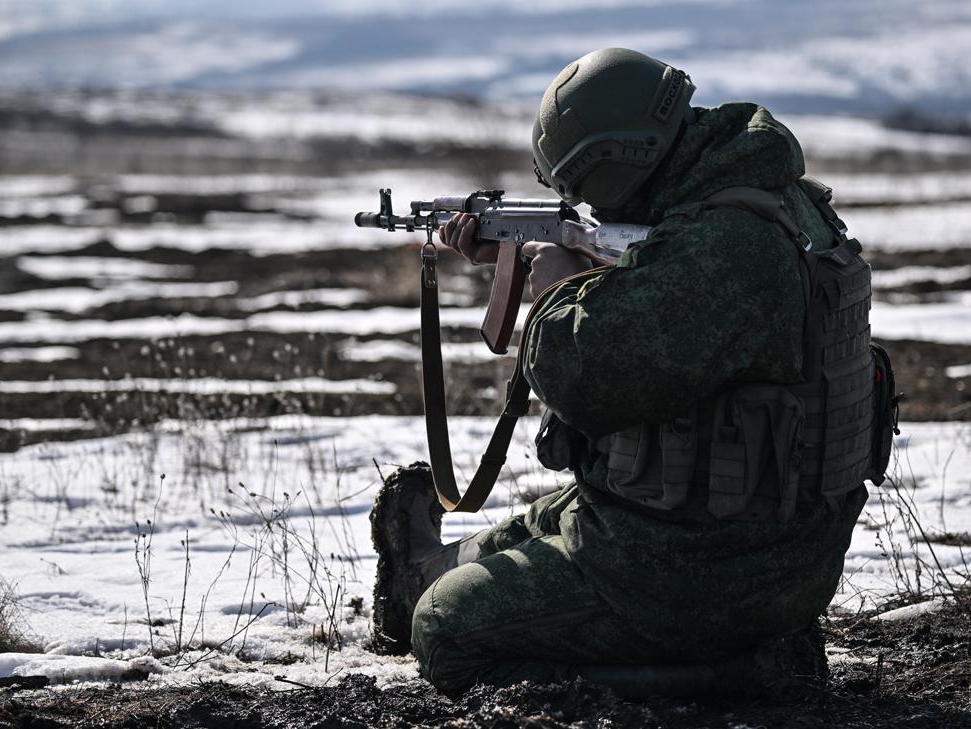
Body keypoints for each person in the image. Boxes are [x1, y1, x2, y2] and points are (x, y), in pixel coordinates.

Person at [370, 47, 882, 698]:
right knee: (533, 527)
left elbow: (578, 374)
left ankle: (729, 674)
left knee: (446, 629)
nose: (582, 208)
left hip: (701, 573)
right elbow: (680, 322)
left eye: (579, 190)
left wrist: (555, 289)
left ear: (613, 166)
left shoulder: (726, 248)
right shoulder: (770, 201)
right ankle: (414, 577)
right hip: (757, 545)